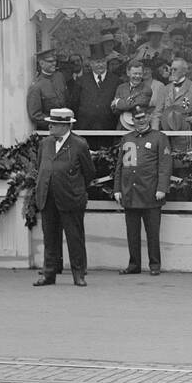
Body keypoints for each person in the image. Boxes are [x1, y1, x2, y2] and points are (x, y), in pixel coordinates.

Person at [34, 108, 95, 288]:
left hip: (70, 197)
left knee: (74, 237)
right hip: (48, 197)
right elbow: (40, 167)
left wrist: (76, 189)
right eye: (50, 123)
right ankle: (49, 274)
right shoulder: (45, 143)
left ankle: (78, 273)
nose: (50, 126)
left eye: (54, 123)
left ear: (65, 125)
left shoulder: (79, 144)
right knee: (50, 238)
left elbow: (89, 172)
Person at [115, 104, 172, 275]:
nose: (140, 121)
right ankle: (134, 265)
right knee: (132, 233)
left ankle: (154, 265)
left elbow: (165, 165)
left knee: (152, 233)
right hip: (130, 193)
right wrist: (117, 189)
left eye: (143, 117)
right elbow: (121, 166)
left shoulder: (159, 137)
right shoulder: (127, 139)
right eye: (137, 118)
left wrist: (162, 187)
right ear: (132, 120)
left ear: (148, 117)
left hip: (151, 192)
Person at [157, 57, 192, 152]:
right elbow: (158, 112)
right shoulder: (164, 89)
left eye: (175, 69)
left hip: (186, 130)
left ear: (184, 71)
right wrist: (155, 131)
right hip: (167, 130)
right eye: (171, 69)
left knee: (186, 161)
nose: (172, 72)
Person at [27, 50, 70, 132]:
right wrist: (55, 123)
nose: (54, 63)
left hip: (66, 127)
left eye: (55, 61)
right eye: (50, 61)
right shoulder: (37, 86)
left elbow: (67, 100)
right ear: (41, 64)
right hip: (49, 131)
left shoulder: (60, 77)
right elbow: (35, 115)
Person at [74, 54, 120, 131]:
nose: (100, 65)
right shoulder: (81, 81)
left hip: (109, 128)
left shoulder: (116, 81)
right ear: (91, 63)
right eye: (97, 62)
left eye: (103, 61)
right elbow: (74, 104)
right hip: (85, 128)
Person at [112, 60, 154, 131]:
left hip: (138, 129)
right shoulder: (121, 88)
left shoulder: (146, 89)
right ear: (128, 73)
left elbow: (136, 106)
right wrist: (128, 105)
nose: (137, 76)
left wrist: (117, 102)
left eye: (140, 74)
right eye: (135, 73)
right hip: (121, 129)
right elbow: (114, 110)